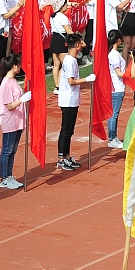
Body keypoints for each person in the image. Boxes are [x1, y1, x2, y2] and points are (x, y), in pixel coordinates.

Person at [55, 34, 93, 172]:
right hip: (68, 100)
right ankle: (61, 158)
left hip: (72, 99)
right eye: (81, 42)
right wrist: (87, 79)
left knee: (69, 130)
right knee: (65, 130)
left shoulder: (70, 59)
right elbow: (71, 81)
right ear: (77, 44)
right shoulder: (70, 61)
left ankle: (67, 155)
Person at [0, 55, 29, 189]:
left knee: (13, 150)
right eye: (19, 65)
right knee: (7, 150)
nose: (20, 67)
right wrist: (22, 100)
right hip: (9, 120)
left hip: (17, 120)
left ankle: (9, 175)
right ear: (14, 66)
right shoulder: (6, 83)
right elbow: (9, 106)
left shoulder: (13, 80)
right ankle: (4, 178)